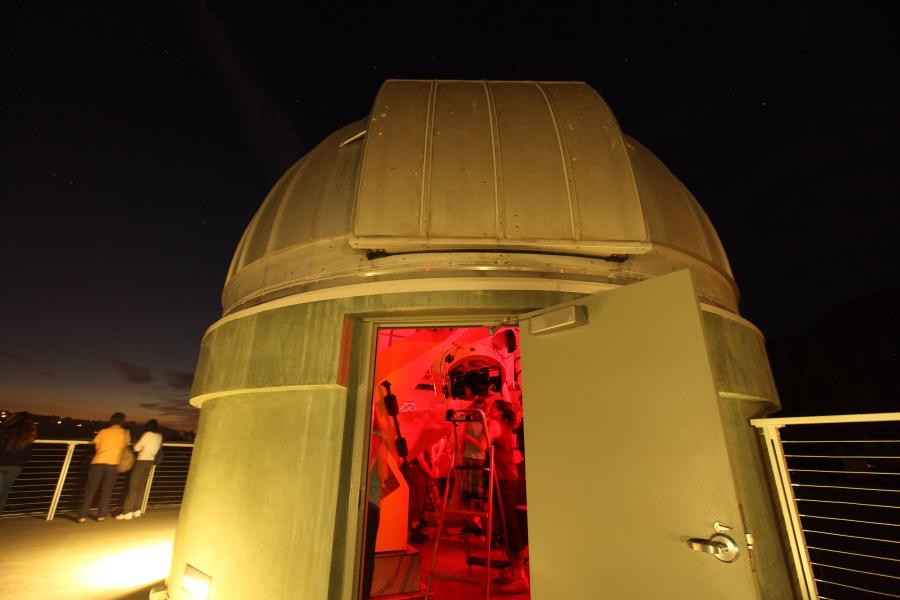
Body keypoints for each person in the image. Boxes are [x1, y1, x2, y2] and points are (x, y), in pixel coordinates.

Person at [488, 400, 529, 594]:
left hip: (506, 478)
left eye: (491, 406)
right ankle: (514, 570)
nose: (488, 409)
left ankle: (520, 576)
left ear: (498, 411)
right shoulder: (507, 425)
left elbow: (483, 444)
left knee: (511, 526)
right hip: (510, 477)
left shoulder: (495, 423)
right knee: (508, 525)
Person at [78, 412, 130, 523]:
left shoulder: (103, 431)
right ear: (122, 421)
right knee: (107, 491)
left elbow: (97, 446)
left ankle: (82, 516)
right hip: (113, 463)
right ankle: (101, 515)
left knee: (90, 489)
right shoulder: (125, 433)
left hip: (98, 461)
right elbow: (125, 446)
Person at [361, 413, 389, 599]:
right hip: (371, 503)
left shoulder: (359, 439)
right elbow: (382, 474)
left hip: (356, 505)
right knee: (367, 555)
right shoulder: (378, 442)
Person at [117, 419, 163, 520]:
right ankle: (137, 510)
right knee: (141, 487)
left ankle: (127, 512)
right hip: (150, 462)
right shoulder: (159, 436)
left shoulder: (147, 434)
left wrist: (136, 443)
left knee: (133, 487)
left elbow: (136, 448)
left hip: (141, 462)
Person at [0, 412, 38, 516]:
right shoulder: (30, 432)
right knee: (4, 491)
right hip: (16, 465)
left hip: (2, 461)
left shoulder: (5, 428)